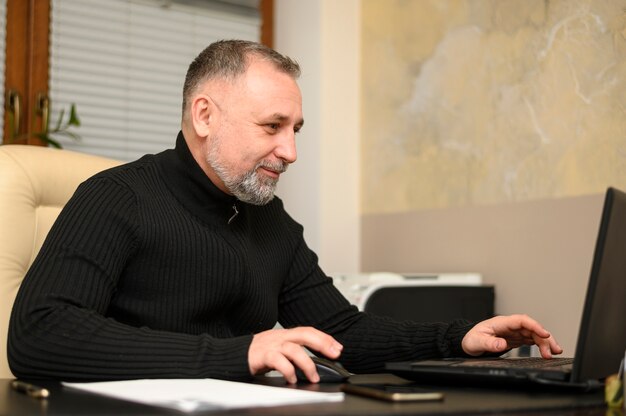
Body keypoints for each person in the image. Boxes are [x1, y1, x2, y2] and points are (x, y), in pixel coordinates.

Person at [7, 40, 562, 384]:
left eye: (295, 131)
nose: (290, 152)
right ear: (204, 116)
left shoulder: (270, 221)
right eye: (272, 127)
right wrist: (240, 353)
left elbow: (343, 334)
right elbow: (40, 335)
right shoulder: (116, 197)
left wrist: (458, 339)